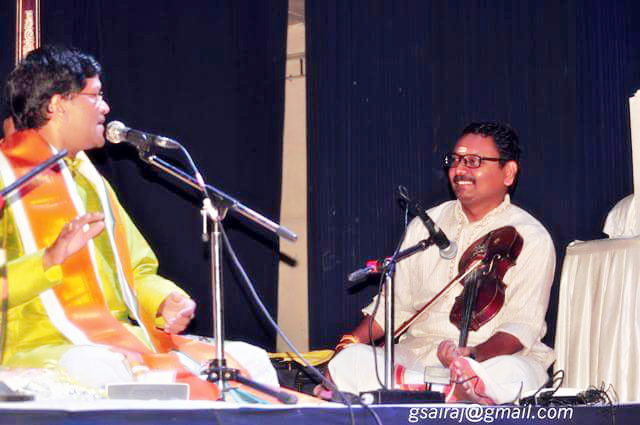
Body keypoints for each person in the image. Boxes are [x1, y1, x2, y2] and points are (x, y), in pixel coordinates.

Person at [0, 45, 277, 399]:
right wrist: (49, 260)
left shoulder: (91, 182)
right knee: (103, 370)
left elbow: (137, 269)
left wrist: (163, 300)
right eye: (95, 96)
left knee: (252, 361)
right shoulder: (8, 177)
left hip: (113, 339)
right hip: (38, 344)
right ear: (57, 105)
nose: (106, 107)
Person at [325, 122, 556, 404]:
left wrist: (471, 356)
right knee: (351, 361)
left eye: (473, 161)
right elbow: (391, 307)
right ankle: (441, 392)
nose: (459, 170)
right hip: (417, 357)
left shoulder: (532, 237)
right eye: (455, 160)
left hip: (488, 359)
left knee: (516, 374)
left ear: (508, 172)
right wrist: (346, 345)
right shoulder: (425, 226)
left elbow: (522, 326)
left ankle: (433, 389)